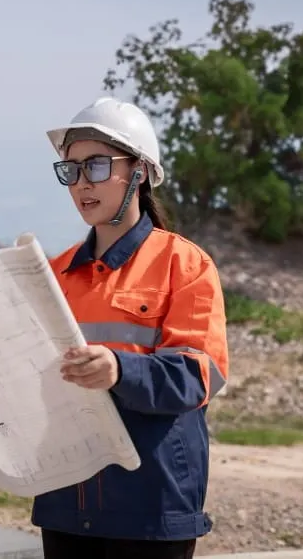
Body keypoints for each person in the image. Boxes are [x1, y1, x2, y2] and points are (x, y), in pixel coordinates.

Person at [33, 96, 229, 559]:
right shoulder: (52, 273)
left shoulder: (184, 265)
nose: (81, 183)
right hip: (67, 499)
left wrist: (121, 371)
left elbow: (200, 375)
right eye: (71, 170)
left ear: (139, 172)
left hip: (151, 504)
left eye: (97, 166)